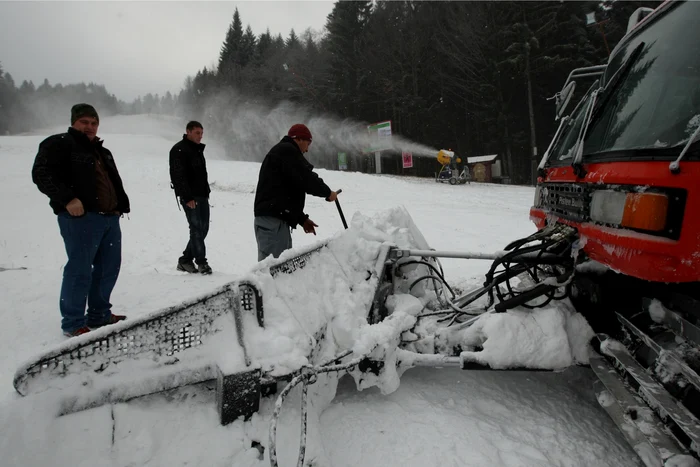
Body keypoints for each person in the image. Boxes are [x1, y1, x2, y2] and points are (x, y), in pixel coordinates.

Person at [32, 104, 130, 337]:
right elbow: (41, 174)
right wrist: (68, 199)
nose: (90, 127)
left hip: (109, 218)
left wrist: (120, 206)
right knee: (80, 269)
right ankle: (74, 322)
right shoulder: (60, 143)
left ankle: (99, 314)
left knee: (108, 267)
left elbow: (111, 181)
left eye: (94, 123)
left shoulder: (102, 151)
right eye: (84, 122)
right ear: (74, 122)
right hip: (81, 218)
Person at [253, 124, 337, 261]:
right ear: (298, 139)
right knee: (274, 271)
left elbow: (287, 192)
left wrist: (301, 219)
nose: (307, 149)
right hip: (273, 222)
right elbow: (306, 179)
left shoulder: (283, 153)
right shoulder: (287, 151)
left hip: (276, 220)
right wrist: (328, 193)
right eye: (308, 143)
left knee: (279, 271)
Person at [169, 121, 212, 274]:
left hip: (202, 196)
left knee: (203, 228)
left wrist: (206, 192)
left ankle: (185, 259)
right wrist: (187, 197)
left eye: (201, 133)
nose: (200, 136)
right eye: (197, 133)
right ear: (188, 131)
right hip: (191, 197)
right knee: (196, 229)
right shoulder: (179, 149)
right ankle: (201, 262)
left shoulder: (197, 150)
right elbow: (178, 176)